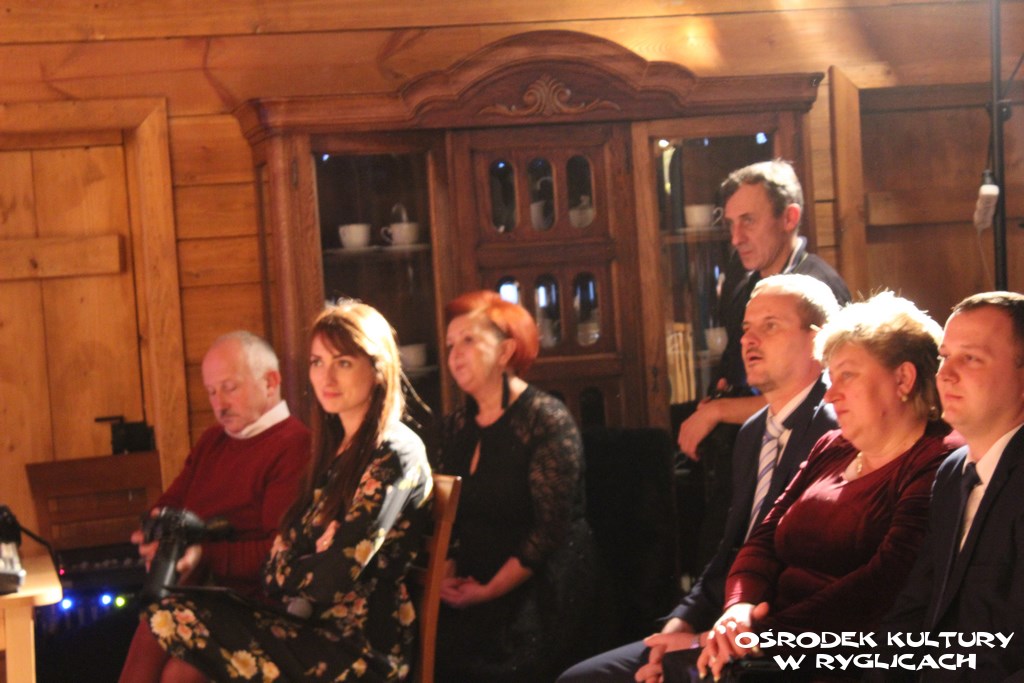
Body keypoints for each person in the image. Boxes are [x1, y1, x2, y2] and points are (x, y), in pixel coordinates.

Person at [641, 292, 962, 682]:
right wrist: (737, 610)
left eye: (847, 375)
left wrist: (748, 638)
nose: (830, 394)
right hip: (757, 642)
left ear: (903, 379)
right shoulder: (832, 445)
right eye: (831, 377)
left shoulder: (939, 458)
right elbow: (760, 541)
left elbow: (881, 586)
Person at [119, 301, 432, 682]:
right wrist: (310, 555)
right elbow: (281, 556)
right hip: (310, 626)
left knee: (169, 615)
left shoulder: (394, 451)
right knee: (172, 638)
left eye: (343, 363)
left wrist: (304, 558)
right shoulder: (334, 450)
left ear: (378, 368)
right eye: (317, 362)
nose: (327, 377)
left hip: (358, 644)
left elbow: (330, 576)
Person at [558, 273, 841, 683]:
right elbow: (728, 554)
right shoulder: (753, 432)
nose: (748, 340)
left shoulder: (837, 429)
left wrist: (700, 642)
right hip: (721, 621)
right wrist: (676, 628)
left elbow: (810, 576)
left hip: (776, 643)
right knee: (581, 678)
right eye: (746, 328)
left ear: (817, 340)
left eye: (770, 326)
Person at [675, 159, 852, 576]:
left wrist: (719, 411)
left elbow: (816, 395)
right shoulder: (745, 284)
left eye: (749, 221)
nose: (736, 238)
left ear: (789, 217)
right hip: (744, 448)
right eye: (731, 223)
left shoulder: (818, 289)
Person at [435, 290, 597, 682]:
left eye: (469, 340)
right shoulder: (457, 425)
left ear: (506, 351)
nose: (455, 355)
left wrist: (488, 591)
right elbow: (449, 516)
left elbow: (550, 531)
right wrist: (448, 574)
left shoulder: (546, 420)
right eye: (451, 345)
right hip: (473, 583)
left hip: (539, 588)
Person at [880, 291, 1024, 681]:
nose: (945, 374)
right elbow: (917, 607)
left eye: (971, 358)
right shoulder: (951, 472)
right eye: (945, 357)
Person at [131, 330, 311, 598]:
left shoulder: (295, 445)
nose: (219, 404)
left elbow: (280, 551)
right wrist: (153, 532)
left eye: (229, 388)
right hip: (193, 589)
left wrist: (203, 555)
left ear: (270, 382)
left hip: (249, 602)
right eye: (211, 392)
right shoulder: (212, 440)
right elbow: (170, 505)